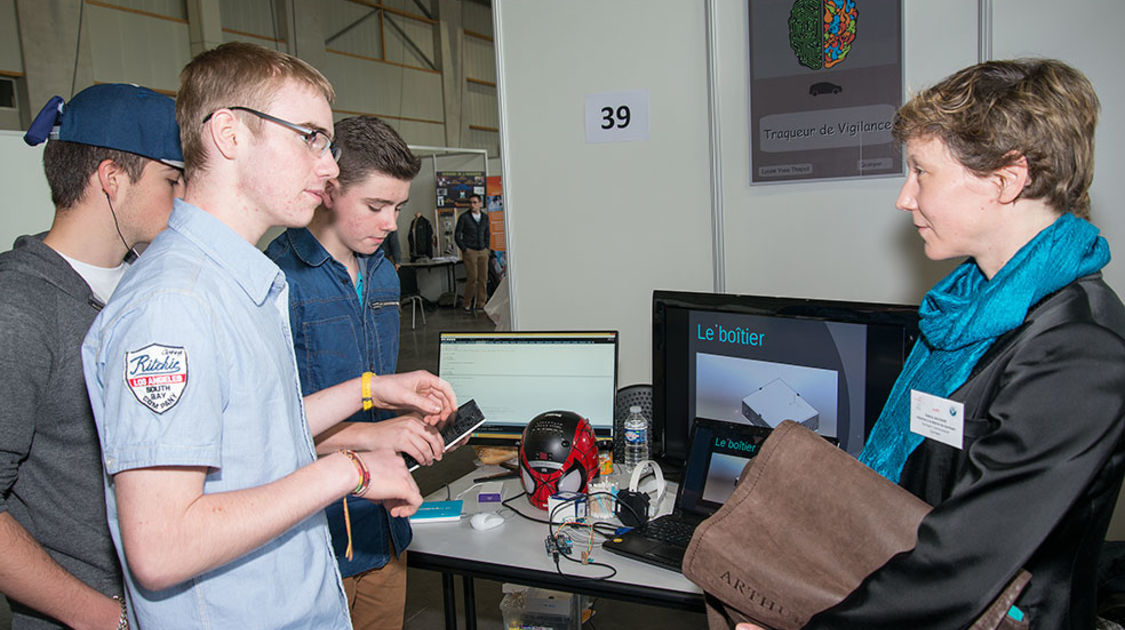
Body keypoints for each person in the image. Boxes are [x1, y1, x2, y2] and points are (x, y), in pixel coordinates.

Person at [739, 58, 1125, 630]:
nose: (904, 197)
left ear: (1005, 180)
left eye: (922, 172)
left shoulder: (1077, 348)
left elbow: (964, 561)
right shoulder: (964, 311)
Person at [81, 42, 456, 628]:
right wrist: (352, 469)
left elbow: (259, 439)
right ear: (229, 135)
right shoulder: (174, 306)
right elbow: (162, 547)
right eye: (310, 137)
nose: (329, 166)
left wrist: (374, 390)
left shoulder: (240, 285)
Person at [0, 83, 183, 630]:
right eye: (172, 180)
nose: (184, 200)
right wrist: (103, 617)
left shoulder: (143, 291)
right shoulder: (19, 311)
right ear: (112, 178)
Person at [265, 115, 443, 629]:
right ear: (327, 189)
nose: (391, 223)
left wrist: (412, 408)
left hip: (384, 526)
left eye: (397, 208)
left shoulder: (384, 272)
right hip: (316, 540)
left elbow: (373, 386)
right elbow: (268, 431)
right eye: (375, 206)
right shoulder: (278, 281)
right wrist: (374, 433)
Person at [455, 193, 489, 310]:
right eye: (470, 203)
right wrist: (464, 249)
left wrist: (487, 248)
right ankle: (467, 302)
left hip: (483, 250)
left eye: (475, 202)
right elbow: (457, 235)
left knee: (483, 278)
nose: (472, 205)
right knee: (472, 277)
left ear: (480, 204)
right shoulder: (464, 217)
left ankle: (481, 303)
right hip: (470, 251)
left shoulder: (485, 217)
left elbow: (487, 233)